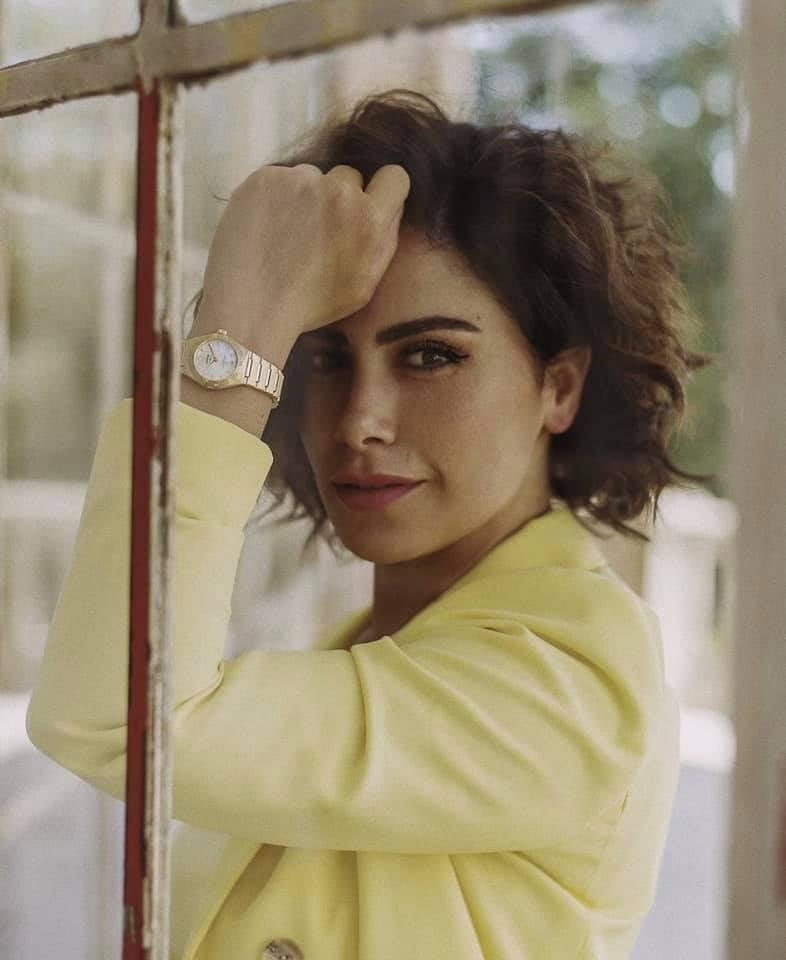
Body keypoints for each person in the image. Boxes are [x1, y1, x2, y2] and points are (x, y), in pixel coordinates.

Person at [27, 88, 715, 959]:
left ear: (559, 386)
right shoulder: (373, 646)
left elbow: (121, 720)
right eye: (324, 358)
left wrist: (238, 332)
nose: (360, 421)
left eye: (431, 356)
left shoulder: (570, 674)